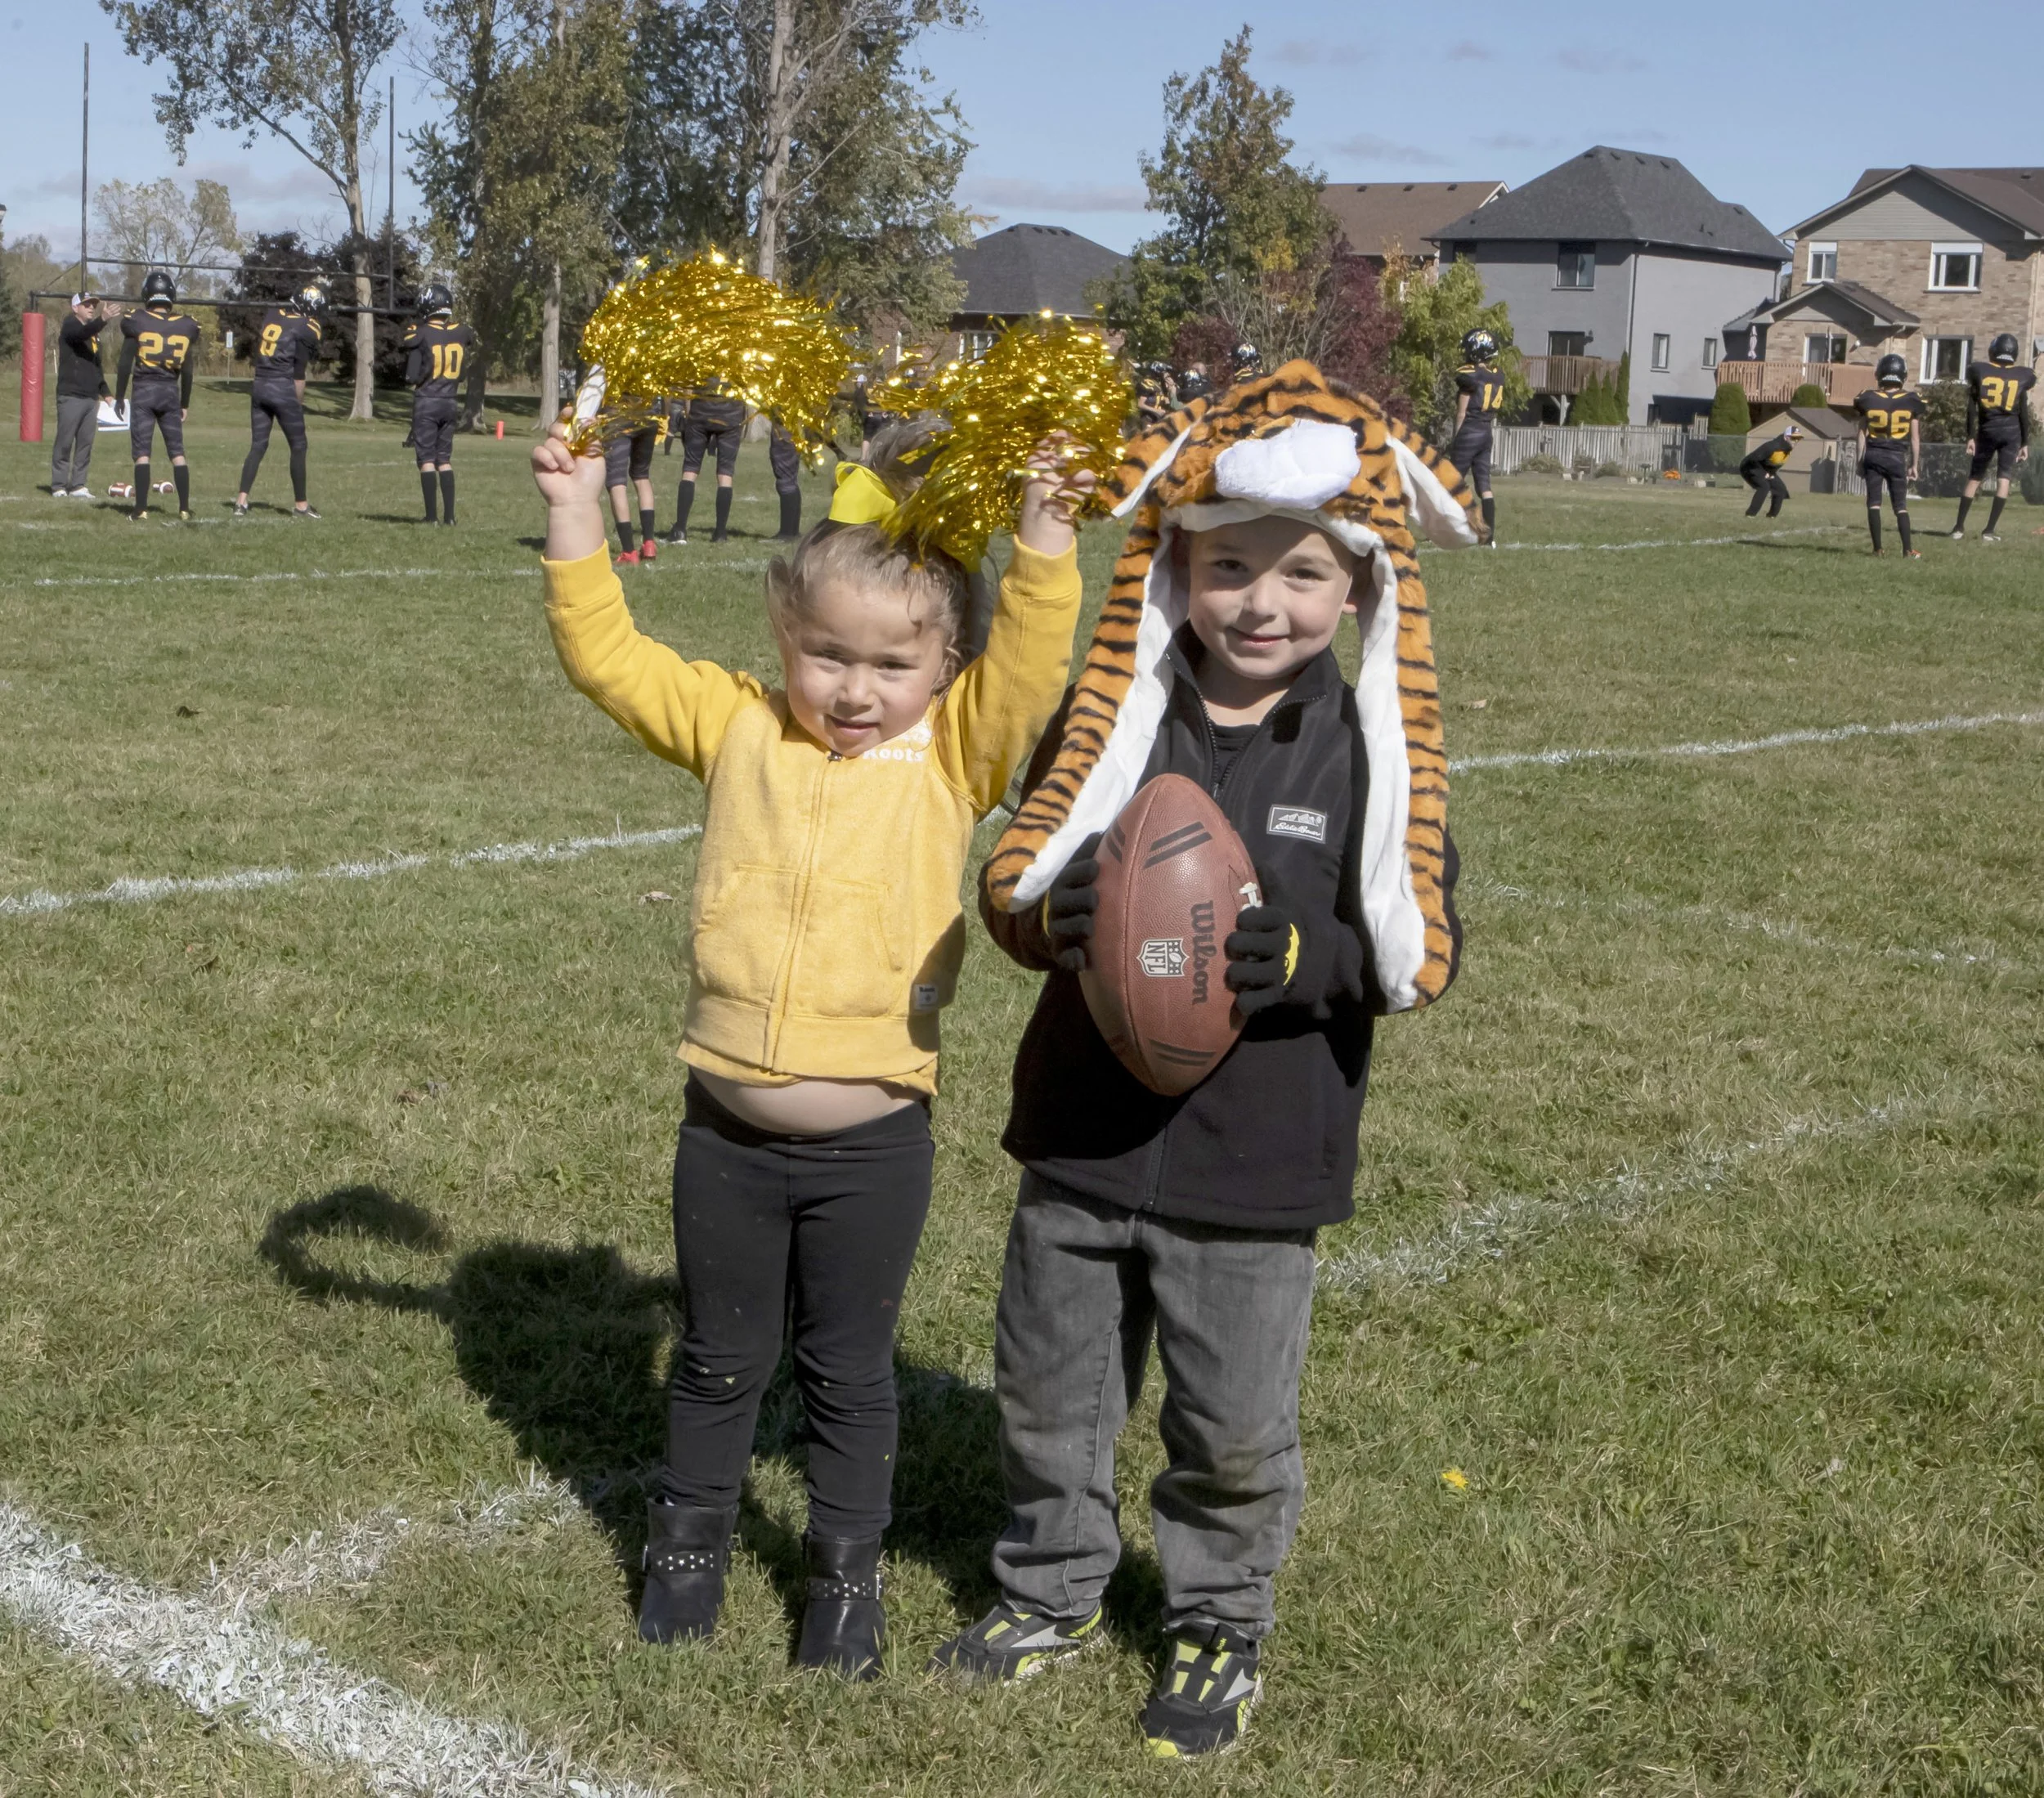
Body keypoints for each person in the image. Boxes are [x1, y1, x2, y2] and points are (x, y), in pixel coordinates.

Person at [937, 365, 1470, 1755]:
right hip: (1082, 1136)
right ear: (1175, 565)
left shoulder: (1365, 753)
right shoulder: (1116, 722)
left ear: (1355, 592)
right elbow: (1025, 866)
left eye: (1301, 573)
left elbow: (1419, 931)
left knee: (1230, 1424)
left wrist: (1315, 963)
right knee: (1050, 1387)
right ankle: (1047, 1584)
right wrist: (1054, 912)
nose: (1262, 602)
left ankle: (1216, 1617)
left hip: (1258, 1161)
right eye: (1230, 566)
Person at [530, 412, 1087, 1680]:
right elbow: (608, 656)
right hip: (723, 1135)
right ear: (785, 639)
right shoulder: (739, 728)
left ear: (949, 661)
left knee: (847, 1372)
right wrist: (577, 513)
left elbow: (1033, 665)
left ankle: (844, 1575)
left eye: (891, 661)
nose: (851, 687)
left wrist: (1046, 529)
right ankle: (688, 1550)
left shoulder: (955, 754)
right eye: (825, 653)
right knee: (718, 1357)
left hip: (872, 1146)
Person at [114, 270, 202, 524]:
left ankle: (141, 509)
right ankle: (184, 509)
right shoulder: (186, 325)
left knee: (143, 453)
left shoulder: (137, 320)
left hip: (144, 390)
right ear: (171, 295)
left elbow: (123, 364)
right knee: (177, 452)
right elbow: (187, 370)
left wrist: (120, 397)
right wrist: (185, 402)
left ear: (147, 294)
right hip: (169, 392)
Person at [235, 283, 326, 521]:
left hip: (259, 386)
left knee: (258, 445)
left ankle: (241, 502)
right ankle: (301, 506)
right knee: (298, 446)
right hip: (282, 388)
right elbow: (299, 374)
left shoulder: (274, 314)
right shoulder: (307, 327)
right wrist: (299, 403)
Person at [401, 284, 477, 526]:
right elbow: (462, 370)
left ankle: (432, 517)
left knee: (426, 461)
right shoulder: (462, 331)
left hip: (427, 401)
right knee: (444, 459)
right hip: (450, 402)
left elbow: (412, 375)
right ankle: (450, 518)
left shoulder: (420, 332)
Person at [1951, 334, 2035, 541]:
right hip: (2012, 432)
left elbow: (1972, 408)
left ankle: (1959, 528)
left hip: (1988, 430)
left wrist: (1970, 436)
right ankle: (1989, 531)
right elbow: (2023, 413)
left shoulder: (1980, 371)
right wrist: (2025, 442)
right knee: (2004, 479)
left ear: (1993, 350)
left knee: (1975, 477)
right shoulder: (2022, 375)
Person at [1853, 354, 1923, 558]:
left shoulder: (1867, 398)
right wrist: (1914, 464)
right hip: (1896, 456)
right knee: (1900, 506)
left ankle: (1877, 549)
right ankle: (1908, 550)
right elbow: (1915, 438)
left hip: (1873, 454)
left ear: (1880, 374)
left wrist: (1860, 461)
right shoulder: (1912, 400)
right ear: (1903, 375)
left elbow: (1861, 433)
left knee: (1874, 502)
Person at [666, 388, 747, 544]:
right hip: (731, 411)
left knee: (690, 469)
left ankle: (680, 529)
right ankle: (721, 532)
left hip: (702, 408)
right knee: (726, 474)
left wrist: (690, 410)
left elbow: (690, 383)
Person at [1446, 327, 1504, 544]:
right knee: (1485, 486)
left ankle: (1450, 531)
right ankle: (1489, 538)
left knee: (1450, 483)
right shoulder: (1497, 375)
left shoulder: (1469, 375)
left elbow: (1461, 412)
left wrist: (1456, 436)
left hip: (1469, 430)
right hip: (1486, 432)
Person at [51, 292, 110, 499]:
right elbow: (80, 335)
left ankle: (78, 485)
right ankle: (59, 485)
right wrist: (103, 320)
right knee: (65, 441)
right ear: (75, 308)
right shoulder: (70, 326)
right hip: (71, 395)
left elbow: (96, 366)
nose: (91, 308)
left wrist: (106, 393)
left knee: (85, 443)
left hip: (90, 397)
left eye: (93, 305)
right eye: (86, 305)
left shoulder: (94, 336)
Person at [605, 414, 661, 566]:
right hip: (649, 415)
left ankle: (629, 552)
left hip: (618, 417)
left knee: (616, 482)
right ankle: (649, 544)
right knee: (642, 476)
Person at [1738, 421, 1802, 519]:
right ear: (1786, 438)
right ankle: (1750, 515)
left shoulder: (1787, 450)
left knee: (1780, 489)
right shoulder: (1772, 447)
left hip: (1763, 468)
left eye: (1798, 438)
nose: (1796, 441)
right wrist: (1764, 473)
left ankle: (1771, 516)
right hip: (1749, 467)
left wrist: (1771, 473)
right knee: (1764, 487)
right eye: (1793, 438)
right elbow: (1753, 459)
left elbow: (1773, 464)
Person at [769, 423, 804, 542]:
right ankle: (793, 531)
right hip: (795, 428)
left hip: (785, 427)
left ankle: (786, 533)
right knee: (791, 480)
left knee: (785, 481)